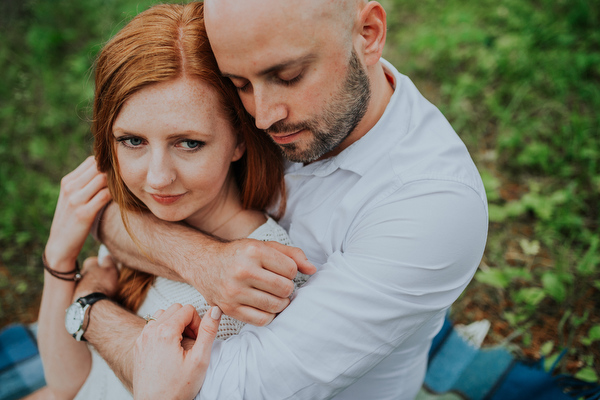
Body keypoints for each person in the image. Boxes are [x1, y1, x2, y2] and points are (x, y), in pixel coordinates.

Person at [77, 0, 489, 399]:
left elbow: (221, 389)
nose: (261, 117)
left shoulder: (433, 206)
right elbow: (106, 201)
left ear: (369, 35)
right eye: (238, 84)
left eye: (288, 76)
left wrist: (89, 309)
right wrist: (202, 261)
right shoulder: (270, 100)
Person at [36, 3, 311, 400]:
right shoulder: (140, 219)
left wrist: (87, 300)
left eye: (189, 143)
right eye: (133, 141)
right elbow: (67, 381)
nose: (157, 178)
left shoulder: (264, 283)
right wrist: (59, 260)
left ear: (238, 139)